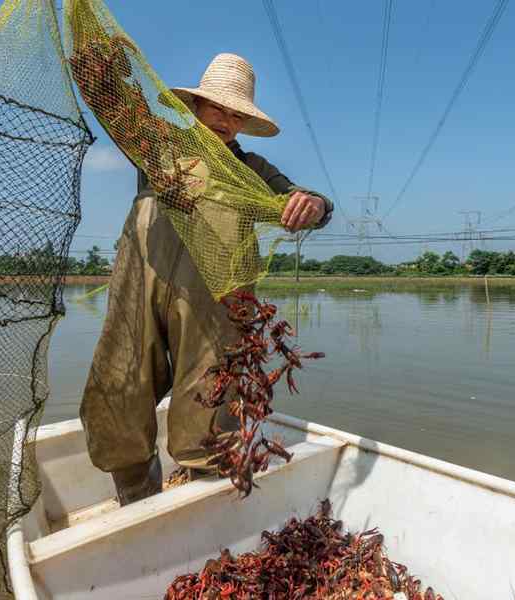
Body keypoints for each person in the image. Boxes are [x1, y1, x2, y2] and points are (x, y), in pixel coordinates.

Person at [80, 53, 334, 505]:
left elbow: (305, 200)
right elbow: (112, 108)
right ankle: (137, 498)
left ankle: (200, 505)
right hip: (141, 290)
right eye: (217, 108)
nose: (226, 121)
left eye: (236, 115)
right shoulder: (157, 145)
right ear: (195, 108)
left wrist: (314, 205)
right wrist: (96, 72)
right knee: (119, 388)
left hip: (215, 303)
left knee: (210, 403)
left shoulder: (253, 170)